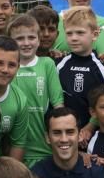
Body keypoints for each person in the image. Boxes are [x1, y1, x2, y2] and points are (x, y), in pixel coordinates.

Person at [9, 13, 64, 165]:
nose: (26, 43)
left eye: (31, 37)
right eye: (19, 39)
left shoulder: (47, 64)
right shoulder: (8, 68)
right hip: (15, 149)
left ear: (39, 40)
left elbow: (58, 104)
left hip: (45, 149)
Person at [57, 6, 104, 127]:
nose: (74, 38)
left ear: (94, 34)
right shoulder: (58, 65)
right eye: (69, 33)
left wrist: (91, 127)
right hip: (66, 132)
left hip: (96, 131)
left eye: (80, 33)